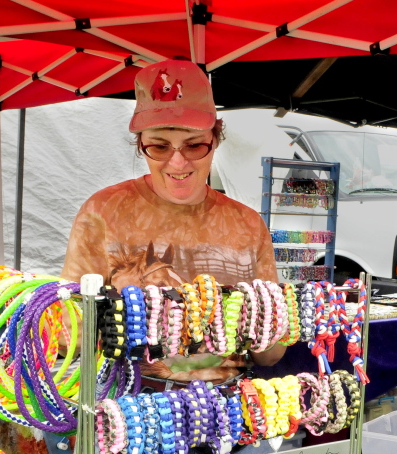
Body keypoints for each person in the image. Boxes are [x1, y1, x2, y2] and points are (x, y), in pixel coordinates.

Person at [60, 60, 285, 384]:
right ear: (141, 145)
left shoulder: (247, 225)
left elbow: (272, 353)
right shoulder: (104, 213)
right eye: (159, 146)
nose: (178, 162)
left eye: (194, 145)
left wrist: (257, 323)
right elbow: (71, 335)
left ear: (216, 140)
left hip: (227, 413)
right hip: (130, 411)